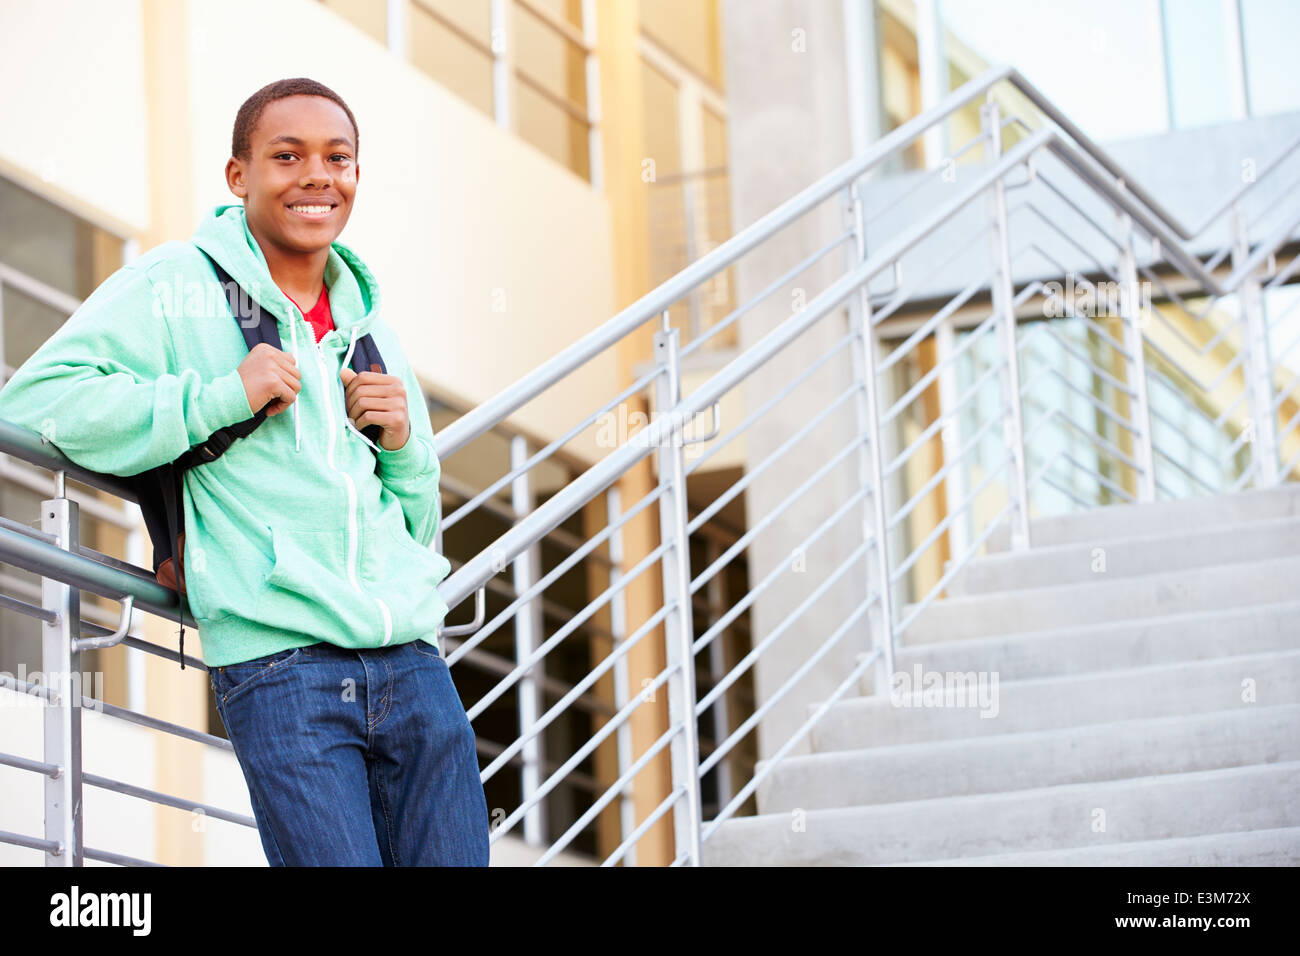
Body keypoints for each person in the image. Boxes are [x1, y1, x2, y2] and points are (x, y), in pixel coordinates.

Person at [0, 77, 491, 866]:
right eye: (286, 156)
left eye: (339, 158)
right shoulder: (177, 285)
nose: (316, 176)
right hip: (282, 665)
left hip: (413, 664)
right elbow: (41, 398)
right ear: (240, 176)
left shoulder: (373, 331)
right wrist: (218, 397)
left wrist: (401, 444)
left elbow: (417, 526)